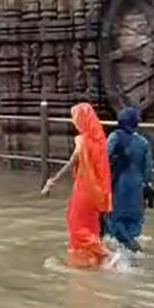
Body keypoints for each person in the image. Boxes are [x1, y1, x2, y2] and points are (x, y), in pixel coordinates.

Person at [41, 103, 116, 269]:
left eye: (75, 118)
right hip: (94, 191)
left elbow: (69, 165)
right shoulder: (99, 142)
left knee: (76, 222)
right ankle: (92, 258)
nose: (74, 122)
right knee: (90, 224)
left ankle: (105, 254)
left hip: (83, 190)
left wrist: (52, 181)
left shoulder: (82, 142)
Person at [101, 106, 154, 252]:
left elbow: (103, 158)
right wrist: (147, 186)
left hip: (119, 183)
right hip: (138, 186)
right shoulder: (144, 142)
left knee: (115, 219)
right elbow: (148, 169)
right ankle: (132, 249)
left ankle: (128, 247)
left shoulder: (115, 137)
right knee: (134, 221)